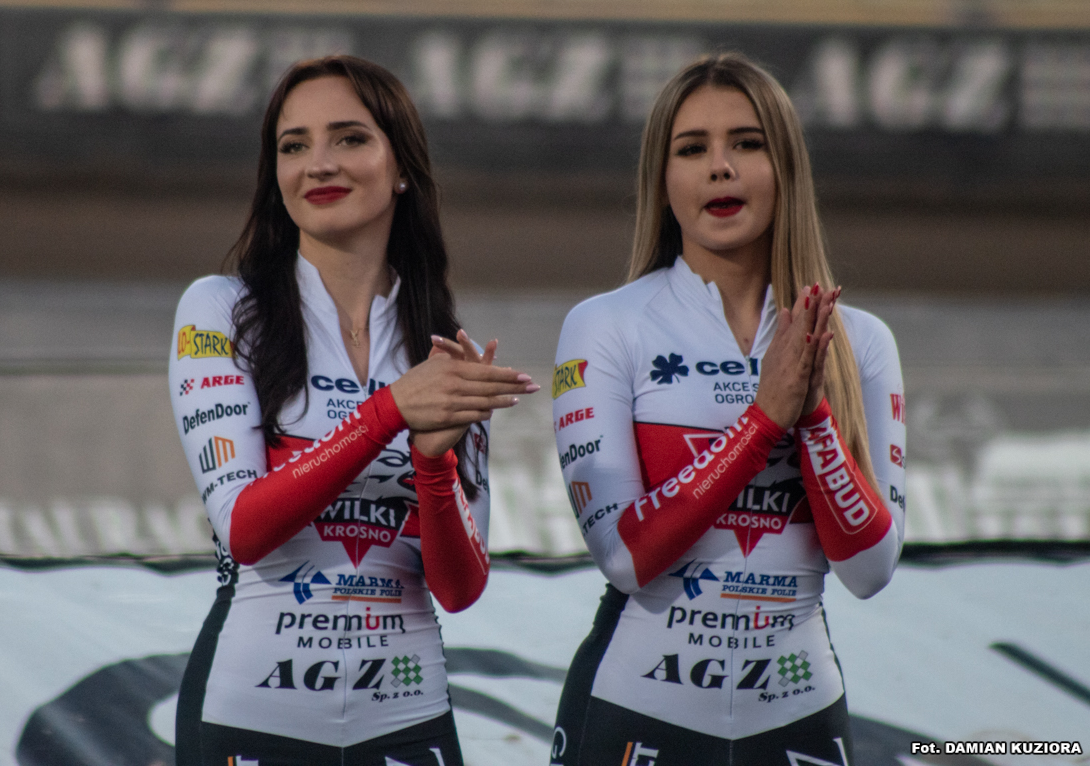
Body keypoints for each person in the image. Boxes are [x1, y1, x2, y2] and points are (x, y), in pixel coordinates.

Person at [168, 55, 537, 766]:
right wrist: (389, 412)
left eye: (349, 138)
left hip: (407, 717)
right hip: (252, 715)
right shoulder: (221, 309)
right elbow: (244, 529)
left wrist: (433, 464)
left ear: (401, 168)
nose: (318, 164)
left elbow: (459, 589)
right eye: (293, 145)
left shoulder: (440, 347)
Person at [549, 53, 904, 766]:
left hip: (798, 715)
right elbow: (624, 558)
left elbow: (870, 571)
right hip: (633, 710)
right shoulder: (604, 325)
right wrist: (764, 421)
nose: (720, 167)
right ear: (662, 180)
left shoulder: (859, 341)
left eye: (746, 143)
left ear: (786, 168)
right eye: (692, 149)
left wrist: (812, 417)